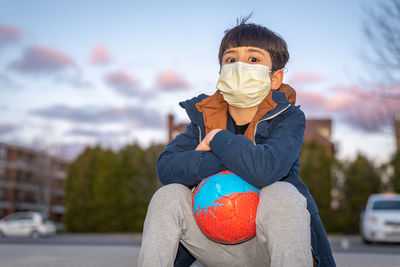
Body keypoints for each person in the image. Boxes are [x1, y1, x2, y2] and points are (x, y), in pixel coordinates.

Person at [138, 16, 336, 267]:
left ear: (275, 78)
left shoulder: (288, 118)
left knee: (282, 192)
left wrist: (218, 139)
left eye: (253, 59)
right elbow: (166, 168)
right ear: (221, 73)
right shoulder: (204, 117)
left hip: (268, 249)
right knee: (169, 195)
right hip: (215, 244)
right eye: (231, 59)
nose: (240, 67)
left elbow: (266, 170)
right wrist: (231, 156)